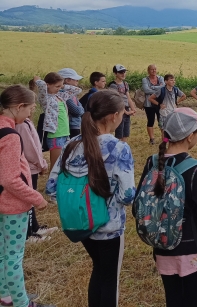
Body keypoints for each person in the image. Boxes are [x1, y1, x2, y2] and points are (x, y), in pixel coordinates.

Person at [45, 90, 136, 307]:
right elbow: (127, 196)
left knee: (99, 271)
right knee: (109, 280)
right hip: (109, 227)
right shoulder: (119, 148)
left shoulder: (72, 143)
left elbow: (51, 187)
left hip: (81, 224)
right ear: (114, 115)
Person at [134, 108, 197, 307]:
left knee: (173, 300)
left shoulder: (152, 163)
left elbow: (138, 207)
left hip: (162, 248)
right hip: (192, 250)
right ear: (189, 137)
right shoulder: (196, 169)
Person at [0, 85, 52, 307]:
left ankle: (5, 294)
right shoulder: (10, 136)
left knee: (3, 252)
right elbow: (10, 179)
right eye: (30, 108)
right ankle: (21, 302)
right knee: (13, 256)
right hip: (13, 205)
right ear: (18, 107)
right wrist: (36, 198)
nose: (31, 113)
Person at [14, 115, 57, 244]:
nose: (33, 108)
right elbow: (30, 149)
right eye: (31, 106)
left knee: (31, 200)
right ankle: (28, 234)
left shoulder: (25, 122)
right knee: (29, 200)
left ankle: (35, 228)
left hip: (32, 167)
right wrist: (41, 164)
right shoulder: (21, 124)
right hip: (29, 167)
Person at [33, 72, 81, 169]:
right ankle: (52, 183)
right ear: (48, 85)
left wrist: (62, 86)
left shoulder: (59, 96)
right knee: (55, 166)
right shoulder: (45, 99)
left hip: (65, 134)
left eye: (60, 86)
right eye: (57, 86)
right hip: (55, 135)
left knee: (63, 163)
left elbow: (77, 90)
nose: (59, 88)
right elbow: (42, 86)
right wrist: (37, 80)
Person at [108, 65, 136, 143]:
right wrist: (125, 112)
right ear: (115, 73)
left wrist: (133, 108)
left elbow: (128, 97)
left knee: (125, 133)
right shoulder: (113, 85)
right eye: (120, 72)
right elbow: (116, 101)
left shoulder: (125, 84)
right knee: (119, 133)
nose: (123, 74)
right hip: (119, 110)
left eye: (124, 72)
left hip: (126, 109)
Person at [57, 68, 85, 138]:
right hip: (71, 126)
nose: (77, 81)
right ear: (67, 80)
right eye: (75, 79)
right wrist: (81, 110)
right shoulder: (64, 94)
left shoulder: (72, 93)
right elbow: (78, 111)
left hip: (75, 125)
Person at [142, 64, 165, 145]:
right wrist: (158, 89)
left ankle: (164, 139)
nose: (154, 71)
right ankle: (152, 139)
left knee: (162, 121)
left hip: (160, 103)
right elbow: (146, 90)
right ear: (148, 71)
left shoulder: (161, 78)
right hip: (149, 104)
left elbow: (164, 88)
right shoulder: (145, 79)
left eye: (155, 69)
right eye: (152, 69)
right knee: (150, 120)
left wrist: (152, 87)